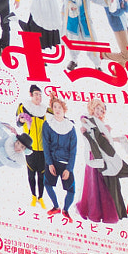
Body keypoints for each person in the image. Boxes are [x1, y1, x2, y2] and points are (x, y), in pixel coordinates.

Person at [75, 100, 127, 224]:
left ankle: (104, 211)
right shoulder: (88, 120)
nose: (99, 112)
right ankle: (94, 210)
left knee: (104, 183)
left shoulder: (103, 124)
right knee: (93, 183)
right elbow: (86, 131)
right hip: (94, 155)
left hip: (104, 156)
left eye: (102, 110)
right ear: (93, 108)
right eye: (97, 109)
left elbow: (107, 142)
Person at [42, 92, 78, 222]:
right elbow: (45, 145)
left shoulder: (70, 127)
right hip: (52, 161)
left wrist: (69, 169)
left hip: (66, 163)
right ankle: (56, 206)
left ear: (64, 110)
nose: (57, 110)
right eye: (54, 107)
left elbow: (74, 150)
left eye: (59, 107)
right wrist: (49, 163)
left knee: (71, 190)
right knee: (47, 184)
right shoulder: (48, 124)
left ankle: (66, 210)